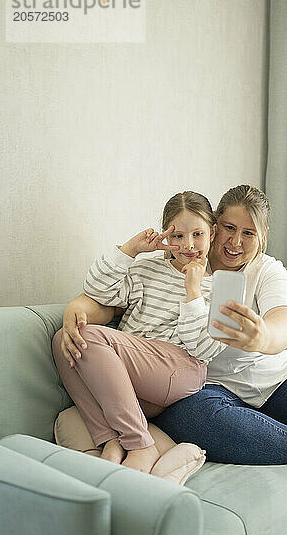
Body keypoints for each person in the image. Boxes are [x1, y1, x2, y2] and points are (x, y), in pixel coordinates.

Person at [58, 185, 287, 535]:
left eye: (248, 233)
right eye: (228, 228)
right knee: (198, 420)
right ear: (214, 226)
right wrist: (77, 307)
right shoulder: (178, 267)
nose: (235, 241)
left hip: (279, 373)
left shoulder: (266, 271)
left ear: (262, 238)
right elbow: (109, 304)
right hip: (201, 388)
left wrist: (263, 337)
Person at [52, 191, 226, 474]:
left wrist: (193, 292)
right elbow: (98, 292)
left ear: (212, 232)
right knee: (65, 338)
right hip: (134, 374)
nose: (188, 245)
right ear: (166, 236)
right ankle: (110, 440)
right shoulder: (146, 268)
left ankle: (140, 445)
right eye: (178, 236)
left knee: (90, 336)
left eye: (197, 234)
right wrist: (130, 250)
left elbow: (205, 349)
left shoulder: (221, 287)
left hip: (180, 368)